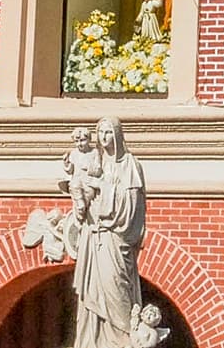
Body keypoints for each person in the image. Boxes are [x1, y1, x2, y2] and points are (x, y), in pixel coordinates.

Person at [73, 116, 148, 348]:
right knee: (92, 292)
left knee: (115, 283)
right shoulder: (95, 161)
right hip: (92, 233)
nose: (104, 138)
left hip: (116, 236)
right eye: (101, 133)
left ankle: (123, 339)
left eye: (108, 132)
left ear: (117, 135)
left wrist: (103, 187)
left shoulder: (129, 164)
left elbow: (132, 202)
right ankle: (92, 340)